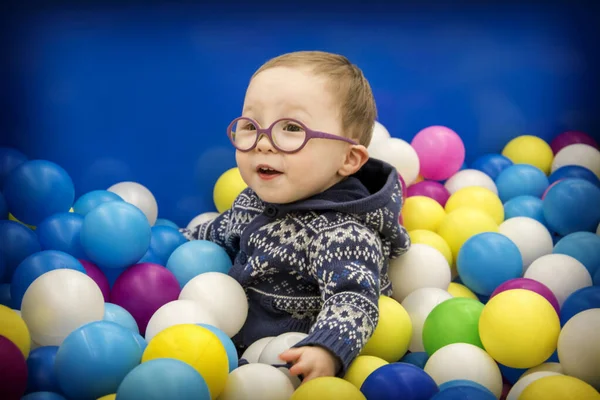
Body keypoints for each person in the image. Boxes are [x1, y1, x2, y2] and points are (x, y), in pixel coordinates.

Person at [180, 50, 410, 383]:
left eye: (290, 127)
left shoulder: (342, 234)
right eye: (250, 125)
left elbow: (354, 299)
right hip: (226, 351)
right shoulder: (253, 202)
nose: (263, 141)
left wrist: (326, 349)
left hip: (291, 366)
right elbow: (219, 232)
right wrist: (177, 238)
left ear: (347, 159)